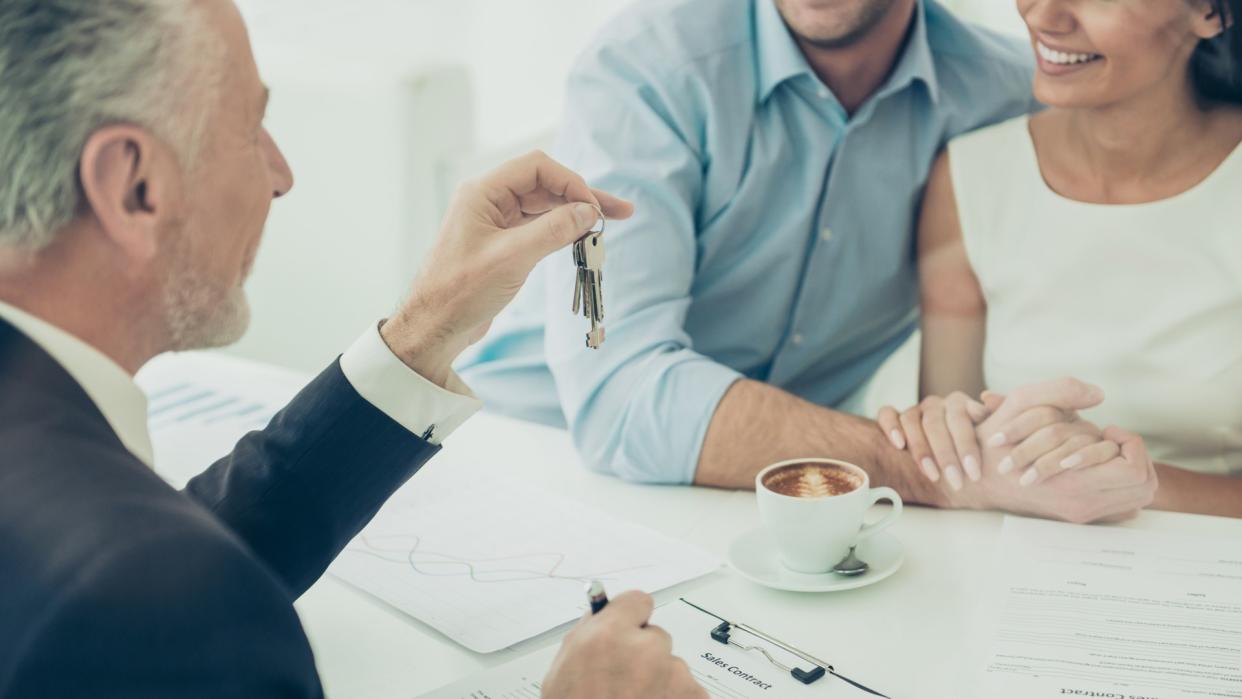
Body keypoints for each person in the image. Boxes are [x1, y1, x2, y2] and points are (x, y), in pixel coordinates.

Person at [0, 1, 706, 697]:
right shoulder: (174, 611)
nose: (281, 176)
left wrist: (426, 331)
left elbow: (166, 552)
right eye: (252, 127)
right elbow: (159, 591)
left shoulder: (108, 555)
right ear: (134, 186)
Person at [459, 0, 1154, 522]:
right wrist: (942, 470)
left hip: (775, 502)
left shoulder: (1004, 97)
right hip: (522, 458)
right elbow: (619, 396)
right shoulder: (643, 70)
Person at [878, 0, 1242, 519]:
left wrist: (1124, 482)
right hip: (1017, 573)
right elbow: (956, 463)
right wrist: (943, 435)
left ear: (1211, 13)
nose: (1044, 16)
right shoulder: (970, 177)